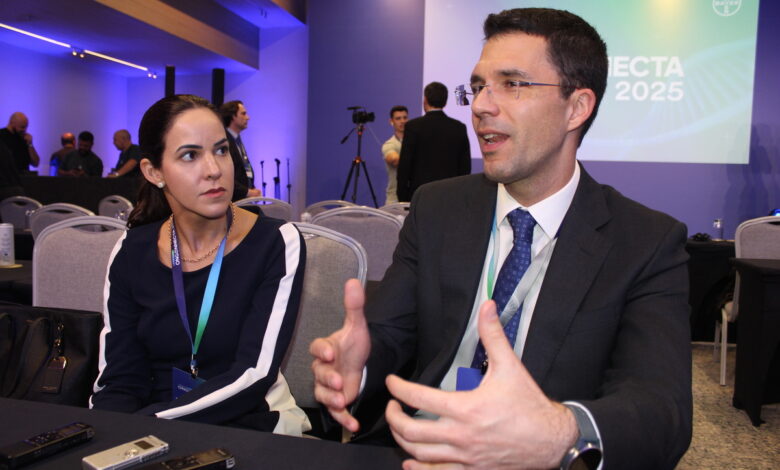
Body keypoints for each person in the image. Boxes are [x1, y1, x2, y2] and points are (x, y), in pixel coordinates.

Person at [310, 8, 691, 470]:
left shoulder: (645, 242)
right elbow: (391, 332)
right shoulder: (437, 208)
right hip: (415, 448)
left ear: (577, 107)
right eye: (478, 87)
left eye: (512, 84)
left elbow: (660, 410)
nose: (480, 106)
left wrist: (560, 433)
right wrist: (359, 363)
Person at [90, 94, 310, 436]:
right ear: (154, 172)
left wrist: (144, 426)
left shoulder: (275, 242)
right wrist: (106, 435)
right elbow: (120, 378)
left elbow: (252, 375)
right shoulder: (132, 250)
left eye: (221, 150)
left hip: (247, 423)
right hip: (147, 426)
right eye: (190, 155)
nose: (214, 170)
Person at [395, 82, 471, 202]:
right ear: (445, 102)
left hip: (420, 196)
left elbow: (404, 167)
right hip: (451, 197)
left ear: (425, 100)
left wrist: (403, 199)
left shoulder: (413, 127)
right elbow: (465, 168)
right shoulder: (459, 128)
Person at [219, 100, 261, 201]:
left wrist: (251, 189)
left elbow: (243, 169)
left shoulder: (237, 139)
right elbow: (224, 176)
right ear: (233, 116)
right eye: (243, 113)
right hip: (233, 202)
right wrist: (247, 192)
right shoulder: (224, 141)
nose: (248, 117)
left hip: (243, 200)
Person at [380, 106, 408, 205]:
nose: (402, 121)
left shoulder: (415, 142)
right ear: (391, 121)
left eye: (405, 118)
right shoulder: (389, 144)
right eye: (398, 118)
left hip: (413, 196)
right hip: (394, 199)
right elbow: (394, 160)